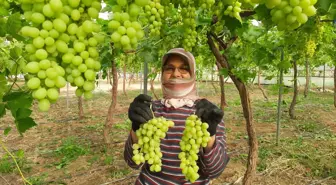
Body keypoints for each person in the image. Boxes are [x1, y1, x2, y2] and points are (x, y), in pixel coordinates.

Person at [124, 48, 229, 184]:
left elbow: (215, 171)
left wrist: (210, 136)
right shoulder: (150, 110)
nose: (176, 74)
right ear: (162, 74)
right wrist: (136, 130)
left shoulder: (207, 114)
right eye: (169, 69)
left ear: (193, 74)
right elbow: (132, 162)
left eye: (184, 69)